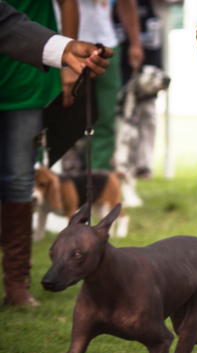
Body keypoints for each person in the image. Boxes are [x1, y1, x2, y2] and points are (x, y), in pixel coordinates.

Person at [1, 1, 113, 307]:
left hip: (27, 77)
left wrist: (65, 61)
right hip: (36, 57)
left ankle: (16, 282)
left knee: (18, 178)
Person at [73, 0, 144, 171]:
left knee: (106, 118)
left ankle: (100, 181)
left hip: (106, 44)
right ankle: (42, 183)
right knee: (55, 117)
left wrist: (135, 43)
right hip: (64, 45)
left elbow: (126, 3)